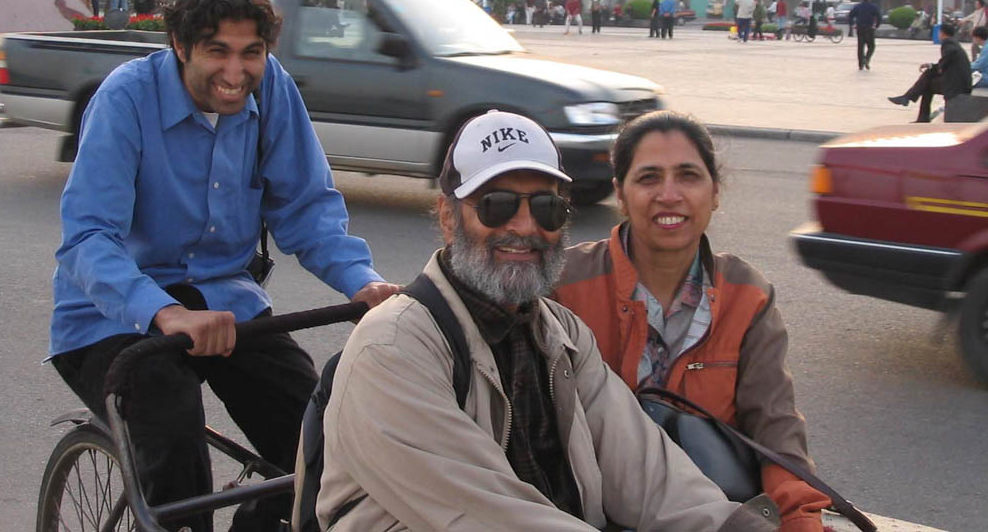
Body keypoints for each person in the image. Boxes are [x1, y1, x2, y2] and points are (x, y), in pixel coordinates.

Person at [315, 110, 780, 532]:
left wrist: (731, 527)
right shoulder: (394, 347)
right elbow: (484, 512)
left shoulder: (561, 333)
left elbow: (646, 470)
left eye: (545, 207)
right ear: (449, 217)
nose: (524, 226)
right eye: (496, 205)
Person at [49, 0, 399, 532]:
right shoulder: (125, 99)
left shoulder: (273, 89)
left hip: (224, 304)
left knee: (324, 446)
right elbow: (88, 239)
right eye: (217, 52)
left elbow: (306, 206)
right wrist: (166, 312)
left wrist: (363, 282)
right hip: (111, 318)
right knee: (174, 441)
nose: (236, 74)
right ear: (180, 46)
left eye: (250, 53)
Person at [554, 111, 829, 532]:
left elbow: (775, 427)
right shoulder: (565, 285)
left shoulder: (747, 295)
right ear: (621, 195)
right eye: (648, 178)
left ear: (715, 191)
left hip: (711, 513)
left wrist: (800, 521)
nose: (669, 195)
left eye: (688, 175)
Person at [888, 22, 972, 122]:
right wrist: (933, 66)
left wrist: (938, 66)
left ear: (942, 33)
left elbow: (949, 55)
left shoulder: (948, 43)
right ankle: (912, 105)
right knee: (927, 81)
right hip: (959, 83)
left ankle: (909, 100)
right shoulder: (954, 43)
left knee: (927, 82)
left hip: (955, 85)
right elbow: (948, 61)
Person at [847, 0, 881, 70]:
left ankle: (860, 64)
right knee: (871, 46)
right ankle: (866, 58)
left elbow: (850, 15)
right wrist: (877, 25)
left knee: (860, 47)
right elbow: (879, 16)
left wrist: (851, 24)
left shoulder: (858, 7)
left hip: (860, 29)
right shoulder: (873, 7)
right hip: (869, 29)